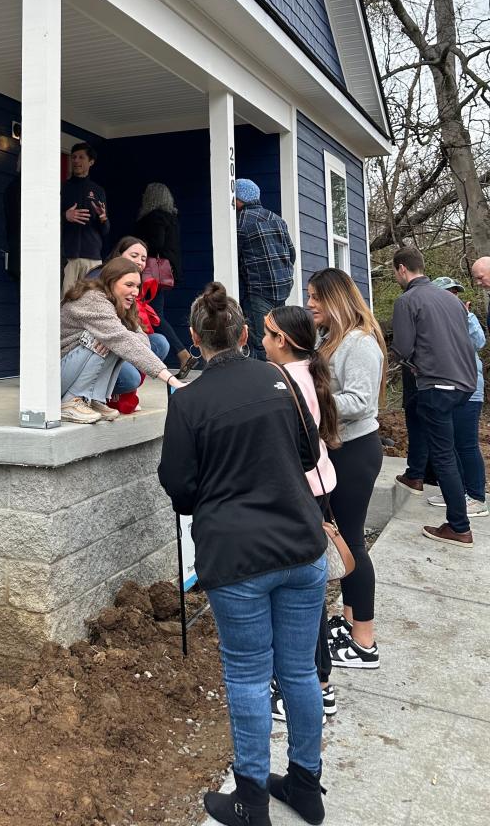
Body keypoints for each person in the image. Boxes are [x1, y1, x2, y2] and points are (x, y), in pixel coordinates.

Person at [160, 283, 328, 826]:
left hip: (237, 561)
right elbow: (308, 452)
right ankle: (305, 783)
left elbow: (181, 489)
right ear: (246, 334)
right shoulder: (280, 380)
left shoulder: (188, 401)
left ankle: (252, 799)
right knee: (300, 672)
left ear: (194, 339)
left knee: (250, 677)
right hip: (302, 547)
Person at [263, 305, 342, 724]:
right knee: (307, 592)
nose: (261, 341)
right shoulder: (308, 372)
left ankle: (317, 685)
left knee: (301, 597)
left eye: (267, 333)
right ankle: (318, 679)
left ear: (283, 342)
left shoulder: (284, 382)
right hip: (318, 486)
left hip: (300, 494)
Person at [307, 268, 385, 670]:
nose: (310, 304)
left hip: (355, 452)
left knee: (352, 542)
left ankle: (365, 644)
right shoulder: (332, 339)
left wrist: (310, 404)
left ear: (335, 299)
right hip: (341, 449)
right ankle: (352, 622)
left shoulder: (359, 343)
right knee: (346, 537)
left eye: (316, 297)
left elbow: (361, 401)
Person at [391, 247, 478, 546]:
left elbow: (402, 348)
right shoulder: (451, 300)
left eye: (395, 272)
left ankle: (459, 526)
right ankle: (458, 514)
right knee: (449, 450)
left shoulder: (408, 300)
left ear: (402, 269)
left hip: (437, 386)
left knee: (443, 457)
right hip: (465, 384)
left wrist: (409, 365)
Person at [59, 257, 174, 424]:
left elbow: (144, 341)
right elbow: (120, 338)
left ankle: (93, 399)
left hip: (71, 369)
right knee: (108, 339)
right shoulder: (92, 299)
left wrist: (124, 334)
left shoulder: (121, 302)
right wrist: (170, 379)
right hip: (55, 376)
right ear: (111, 282)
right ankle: (71, 401)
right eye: (129, 285)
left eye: (137, 286)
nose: (135, 292)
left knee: (117, 340)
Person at [423, 277, 487, 518]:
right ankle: (457, 492)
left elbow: (479, 342)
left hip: (469, 389)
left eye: (455, 293)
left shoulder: (467, 319)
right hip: (446, 388)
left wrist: (467, 317)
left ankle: (477, 497)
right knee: (449, 445)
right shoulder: (437, 321)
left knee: (466, 444)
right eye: (448, 293)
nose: (454, 297)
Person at [86, 236, 172, 412]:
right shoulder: (99, 277)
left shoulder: (132, 284)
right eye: (134, 255)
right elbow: (108, 330)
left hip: (119, 343)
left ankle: (122, 395)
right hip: (94, 346)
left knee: (159, 343)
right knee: (130, 378)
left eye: (143, 258)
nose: (139, 262)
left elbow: (133, 326)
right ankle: (99, 393)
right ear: (119, 254)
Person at [134, 182, 193, 373]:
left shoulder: (155, 217)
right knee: (154, 313)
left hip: (152, 274)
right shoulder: (172, 217)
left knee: (154, 314)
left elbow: (156, 243)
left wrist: (137, 246)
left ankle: (182, 353)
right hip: (165, 273)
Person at [234, 178, 296, 358]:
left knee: (261, 341)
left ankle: (264, 381)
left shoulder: (240, 222)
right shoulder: (277, 219)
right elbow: (291, 254)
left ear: (239, 199)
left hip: (258, 290)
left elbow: (234, 258)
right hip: (282, 287)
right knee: (278, 335)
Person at [61, 142, 110, 293]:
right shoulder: (62, 188)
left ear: (91, 162)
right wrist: (65, 216)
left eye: (81, 157)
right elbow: (45, 220)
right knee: (66, 303)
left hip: (92, 258)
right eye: (74, 157)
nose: (76, 161)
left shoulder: (98, 191)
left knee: (91, 301)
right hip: (68, 257)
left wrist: (103, 218)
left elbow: (105, 230)